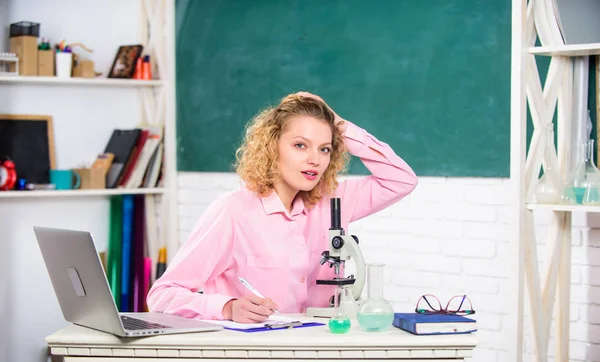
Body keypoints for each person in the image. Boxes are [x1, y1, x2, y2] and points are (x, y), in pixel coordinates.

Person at [146, 92, 418, 323]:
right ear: (271, 146)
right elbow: (162, 294)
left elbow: (402, 179)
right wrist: (227, 308)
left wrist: (340, 126)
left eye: (324, 149)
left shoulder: (333, 201)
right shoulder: (232, 211)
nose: (314, 159)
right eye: (300, 145)